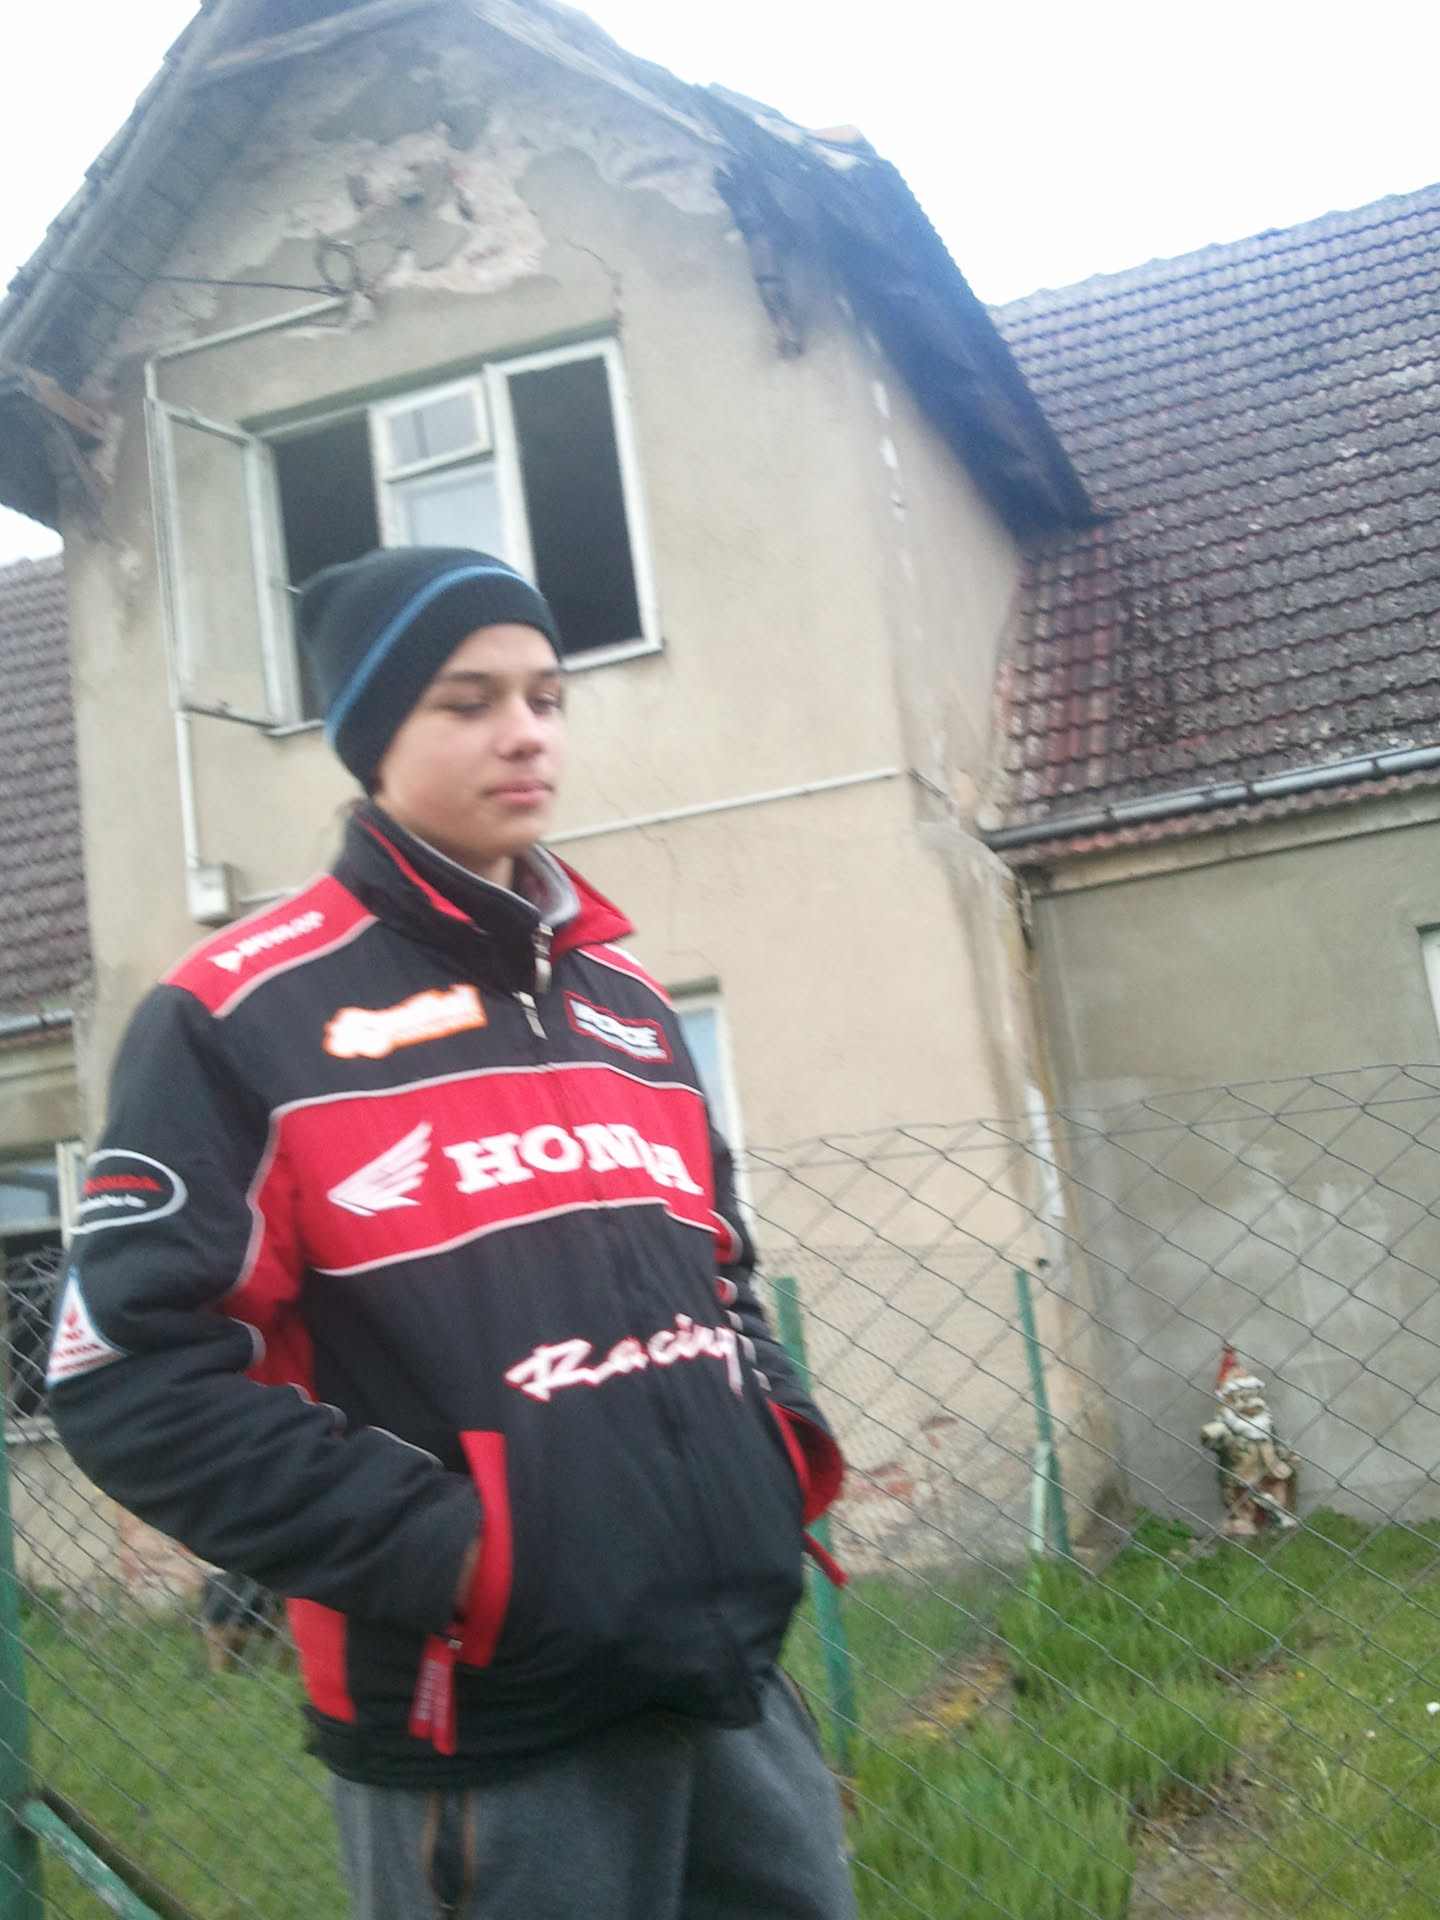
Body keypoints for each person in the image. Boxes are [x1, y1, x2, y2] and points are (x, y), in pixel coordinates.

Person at [46, 546, 857, 1920]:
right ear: (374, 736)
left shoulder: (626, 1002)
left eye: (546, 695)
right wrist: (468, 1562)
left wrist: (774, 1453)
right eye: (468, 700)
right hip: (482, 1731)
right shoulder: (239, 1014)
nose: (526, 732)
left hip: (732, 1682)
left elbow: (720, 1271)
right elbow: (129, 1376)